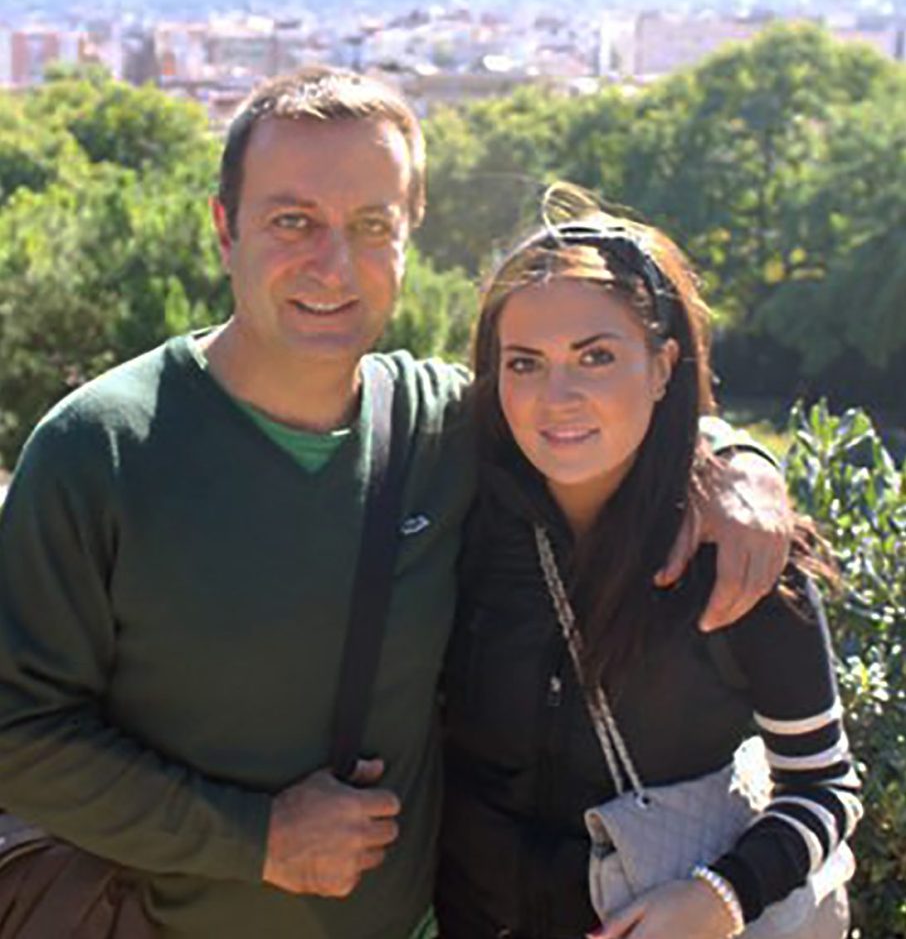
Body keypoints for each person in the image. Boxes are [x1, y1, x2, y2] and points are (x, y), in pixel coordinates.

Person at [0, 69, 790, 938]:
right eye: (292, 220)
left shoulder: (441, 426)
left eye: (372, 225)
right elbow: (17, 733)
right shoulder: (100, 447)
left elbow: (592, 414)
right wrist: (256, 838)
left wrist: (735, 461)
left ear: (410, 239)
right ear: (224, 229)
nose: (333, 265)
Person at [437, 193, 862, 939]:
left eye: (596, 356)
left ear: (664, 365)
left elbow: (825, 784)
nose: (557, 397)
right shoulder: (463, 510)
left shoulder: (738, 554)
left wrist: (720, 896)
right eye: (525, 363)